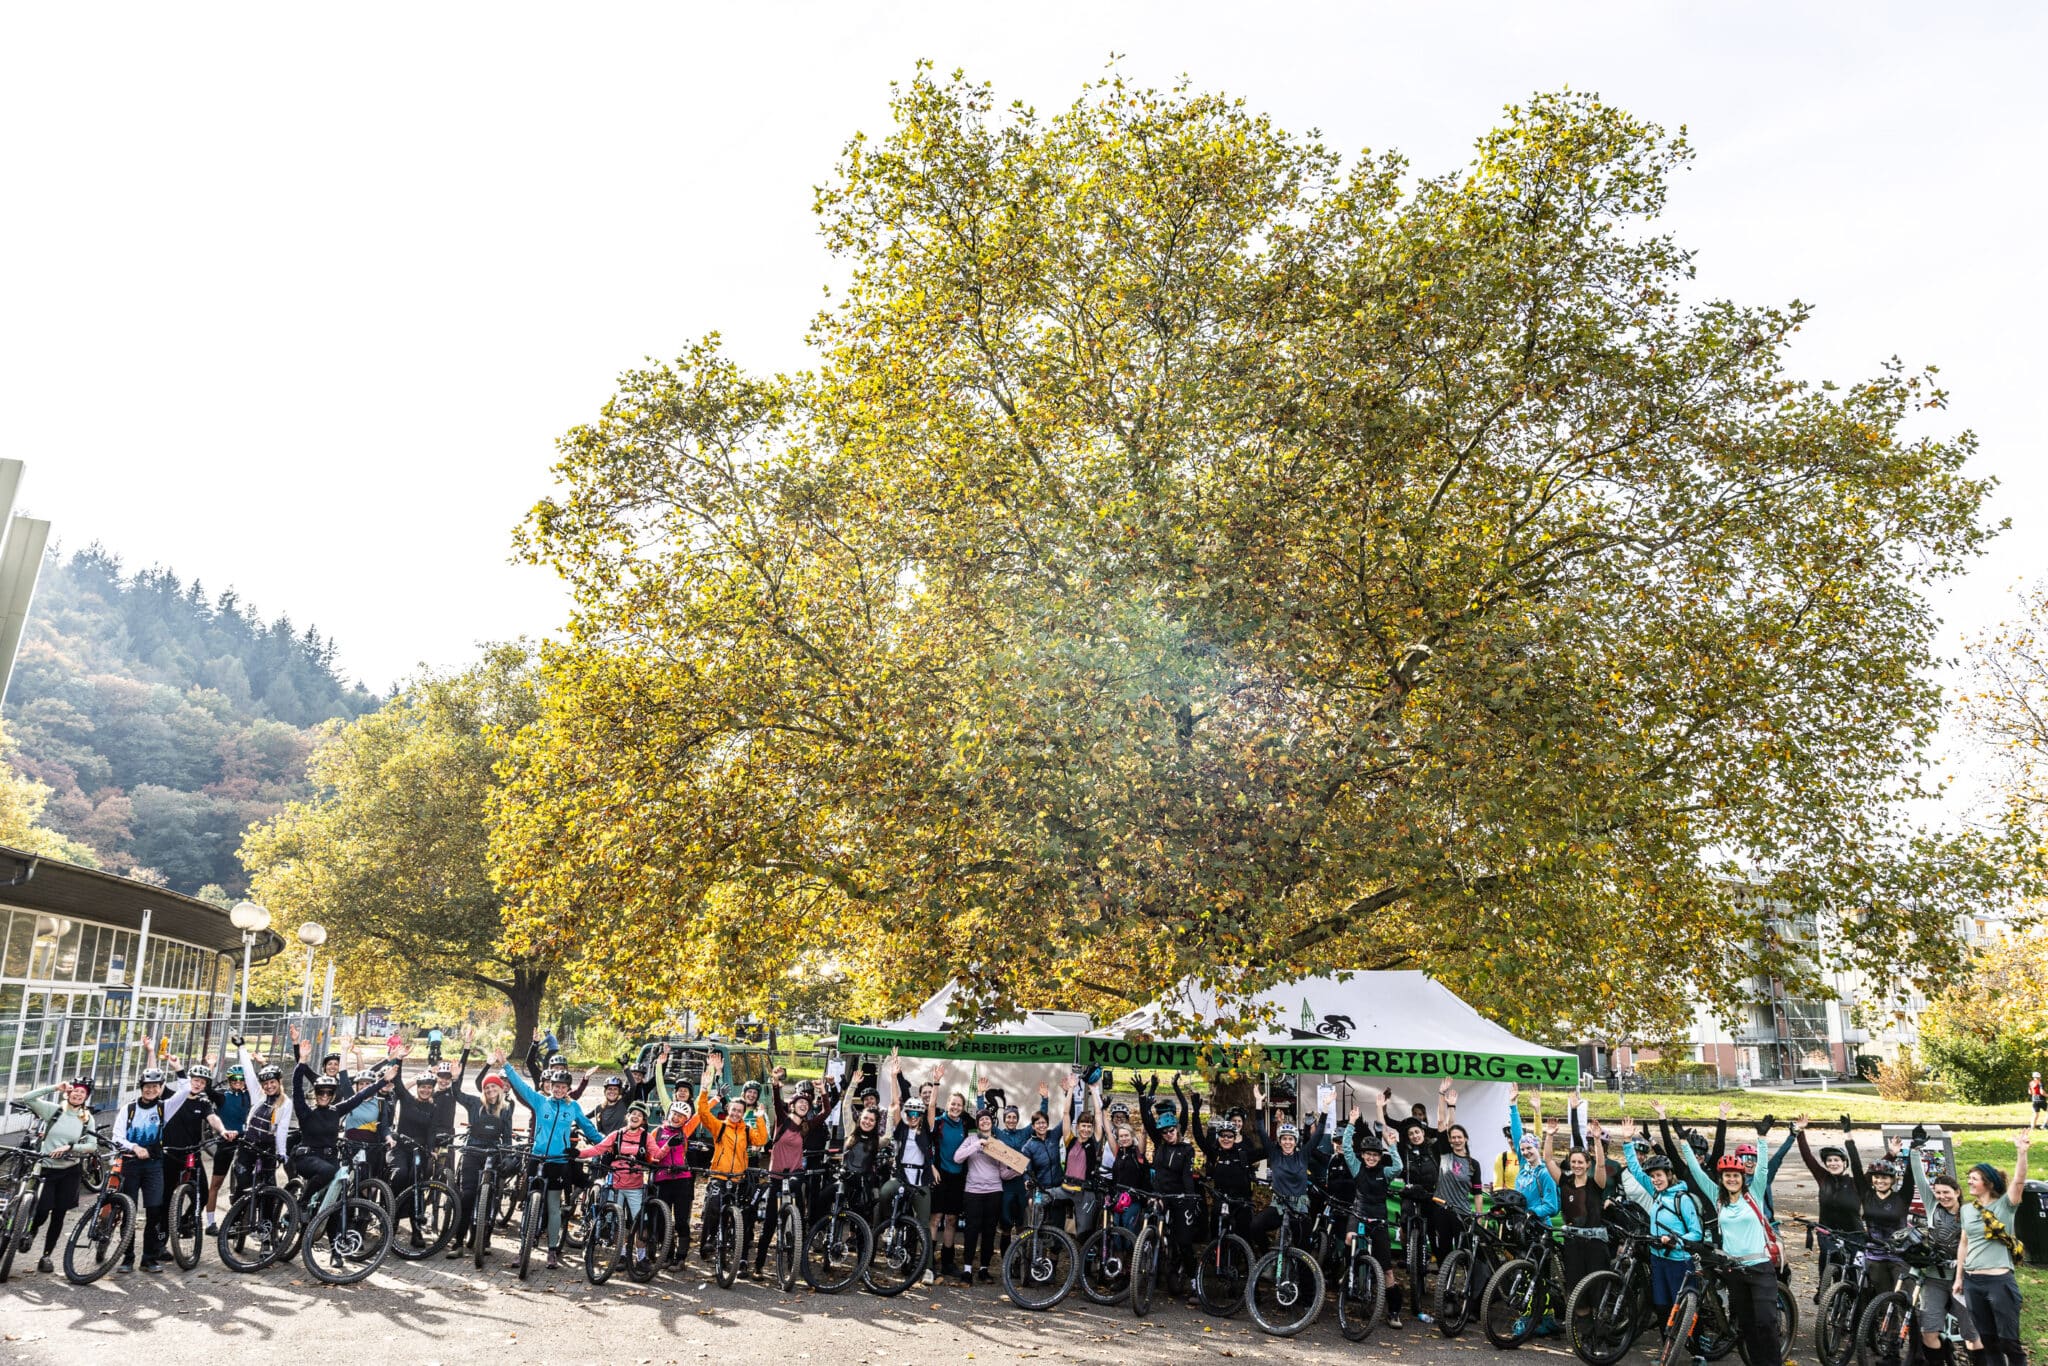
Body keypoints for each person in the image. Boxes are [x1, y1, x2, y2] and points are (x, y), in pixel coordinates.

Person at [500, 1056, 604, 1270]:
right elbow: (520, 1086)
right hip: (537, 1158)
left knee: (553, 1206)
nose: (558, 1089)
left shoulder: (572, 1107)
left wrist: (607, 1144)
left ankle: (552, 1250)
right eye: (556, 1086)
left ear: (568, 1089)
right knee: (530, 1204)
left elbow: (588, 1128)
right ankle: (523, 1249)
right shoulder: (540, 1101)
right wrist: (506, 1065)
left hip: (558, 1161)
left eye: (563, 1087)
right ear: (550, 1086)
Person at [1904, 1125, 1985, 1361]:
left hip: (1963, 1281)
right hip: (1934, 1278)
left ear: (1957, 1192)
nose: (1942, 1197)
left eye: (1946, 1192)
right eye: (1938, 1192)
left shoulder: (1970, 1212)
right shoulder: (1932, 1207)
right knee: (1928, 1332)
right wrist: (1914, 1150)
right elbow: (1920, 1178)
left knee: (1972, 1335)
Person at [1698, 1152, 1786, 1366]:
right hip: (1734, 1271)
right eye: (1727, 1175)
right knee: (1747, 1326)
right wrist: (1682, 1141)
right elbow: (1695, 1171)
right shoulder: (1718, 1198)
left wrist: (1762, 1139)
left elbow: (1762, 1169)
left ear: (1742, 1177)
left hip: (1760, 1268)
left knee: (1766, 1322)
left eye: (1736, 1175)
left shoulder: (1753, 1194)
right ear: (1721, 1178)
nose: (1732, 1179)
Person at [110, 1057, 196, 1272]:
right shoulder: (128, 1109)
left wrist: (178, 1068)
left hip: (154, 1166)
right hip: (131, 1165)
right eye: (147, 1086)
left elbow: (186, 1090)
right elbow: (117, 1136)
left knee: (154, 1211)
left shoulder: (164, 1108)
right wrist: (134, 1147)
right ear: (141, 1087)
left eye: (155, 1087)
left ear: (160, 1088)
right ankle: (127, 1258)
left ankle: (148, 1259)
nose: (151, 1090)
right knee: (129, 1211)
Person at [1617, 1121, 1703, 1330]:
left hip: (1679, 1262)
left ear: (1669, 1176)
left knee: (1682, 1309)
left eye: (1659, 1176)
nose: (1655, 1180)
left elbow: (1696, 1233)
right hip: (1658, 1258)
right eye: (1653, 1177)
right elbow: (1636, 1170)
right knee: (1662, 1307)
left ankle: (1694, 1345)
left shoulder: (1682, 1199)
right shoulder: (1656, 1193)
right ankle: (1667, 1347)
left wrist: (1676, 1240)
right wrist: (1627, 1141)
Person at [1955, 1132, 2031, 1366]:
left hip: (1999, 1283)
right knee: (1988, 1342)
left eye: (1974, 1178)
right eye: (1969, 1178)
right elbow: (1964, 1243)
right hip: (1972, 1283)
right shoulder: (1966, 1210)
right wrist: (1959, 1277)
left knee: (2009, 1343)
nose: (1969, 1182)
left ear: (1988, 1183)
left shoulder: (2005, 1206)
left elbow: (2019, 1180)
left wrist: (2022, 1152)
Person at [17, 1075, 98, 1273]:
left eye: (83, 1092)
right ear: (69, 1092)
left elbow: (92, 1146)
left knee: (59, 1215)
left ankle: (46, 1256)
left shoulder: (87, 1118)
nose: (78, 1094)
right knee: (42, 1210)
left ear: (86, 1097)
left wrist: (71, 1147)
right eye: (75, 1090)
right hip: (47, 1168)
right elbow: (27, 1098)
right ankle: (31, 1231)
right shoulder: (54, 1111)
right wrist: (55, 1087)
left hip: (70, 1171)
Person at [1340, 1094, 1406, 1328]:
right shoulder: (1357, 1166)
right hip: (1358, 1213)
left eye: (1375, 1155)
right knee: (1349, 1239)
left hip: (1379, 1219)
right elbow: (1346, 1148)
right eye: (1368, 1154)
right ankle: (1349, 1272)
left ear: (1379, 1157)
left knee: (1387, 1271)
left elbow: (1398, 1166)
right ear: (1363, 1155)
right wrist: (1351, 1123)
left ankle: (1394, 1312)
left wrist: (1393, 1146)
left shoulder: (1385, 1172)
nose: (1370, 1157)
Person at [447, 1060, 520, 1259]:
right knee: (468, 1196)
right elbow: (457, 1094)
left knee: (491, 1197)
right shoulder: (474, 1103)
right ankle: (458, 1242)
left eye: (494, 1086)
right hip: (472, 1152)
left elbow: (507, 1135)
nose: (490, 1090)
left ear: (500, 1089)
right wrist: (455, 1078)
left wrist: (508, 1156)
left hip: (493, 1154)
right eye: (487, 1087)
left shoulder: (506, 1108)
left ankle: (485, 1239)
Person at [1546, 1113, 1609, 1332]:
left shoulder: (1595, 1184)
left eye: (1580, 1162)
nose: (1576, 1165)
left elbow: (1601, 1167)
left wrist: (1597, 1140)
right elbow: (1548, 1161)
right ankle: (1584, 1329)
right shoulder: (1564, 1181)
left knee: (1595, 1287)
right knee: (1576, 1287)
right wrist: (1549, 1136)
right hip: (1573, 1242)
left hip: (1595, 1244)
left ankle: (1601, 1329)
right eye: (1573, 1162)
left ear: (1587, 1164)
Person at [580, 1101, 661, 1271]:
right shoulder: (616, 1135)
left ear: (644, 1120)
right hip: (616, 1184)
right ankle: (622, 1255)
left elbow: (657, 1154)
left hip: (635, 1187)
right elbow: (598, 1149)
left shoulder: (647, 1137)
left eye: (639, 1115)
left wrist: (668, 1147)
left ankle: (641, 1257)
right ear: (628, 1116)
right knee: (618, 1222)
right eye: (633, 1113)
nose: (635, 1116)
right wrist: (578, 1153)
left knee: (641, 1223)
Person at [952, 1106, 1011, 1284]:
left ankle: (984, 1269)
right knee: (971, 1230)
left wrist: (1016, 1170)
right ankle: (967, 1270)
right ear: (978, 1124)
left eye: (987, 1119)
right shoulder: (970, 1140)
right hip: (973, 1192)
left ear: (992, 1123)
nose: (985, 1121)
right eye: (981, 1120)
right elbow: (957, 1158)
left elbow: (1004, 1173)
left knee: (989, 1231)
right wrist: (977, 1145)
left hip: (994, 1191)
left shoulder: (999, 1145)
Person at [206, 1064, 251, 1231]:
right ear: (229, 1080)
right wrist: (210, 1068)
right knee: (215, 1184)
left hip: (244, 1140)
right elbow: (208, 1090)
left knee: (247, 1182)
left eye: (241, 1079)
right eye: (234, 1079)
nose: (238, 1081)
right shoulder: (222, 1096)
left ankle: (239, 1220)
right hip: (226, 1142)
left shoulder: (249, 1095)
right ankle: (210, 1223)